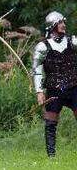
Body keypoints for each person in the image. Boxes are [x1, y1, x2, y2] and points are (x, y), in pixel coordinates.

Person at [31, 11, 77, 157]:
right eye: (60, 23)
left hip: (74, 86)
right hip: (53, 89)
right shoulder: (42, 47)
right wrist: (39, 92)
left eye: (63, 22)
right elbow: (37, 70)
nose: (64, 25)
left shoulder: (73, 41)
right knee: (50, 122)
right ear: (53, 26)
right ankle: (51, 155)